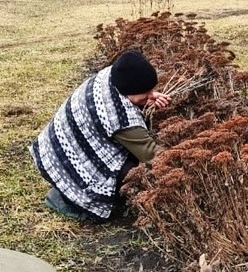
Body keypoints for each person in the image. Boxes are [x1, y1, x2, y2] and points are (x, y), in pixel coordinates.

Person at [29, 50, 169, 223]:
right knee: (133, 173)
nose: (151, 94)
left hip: (53, 147)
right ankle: (67, 202)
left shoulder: (112, 76)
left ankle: (65, 188)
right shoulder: (118, 117)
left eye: (151, 90)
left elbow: (134, 98)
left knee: (130, 161)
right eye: (145, 92)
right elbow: (151, 155)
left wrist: (146, 97)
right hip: (60, 158)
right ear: (129, 90)